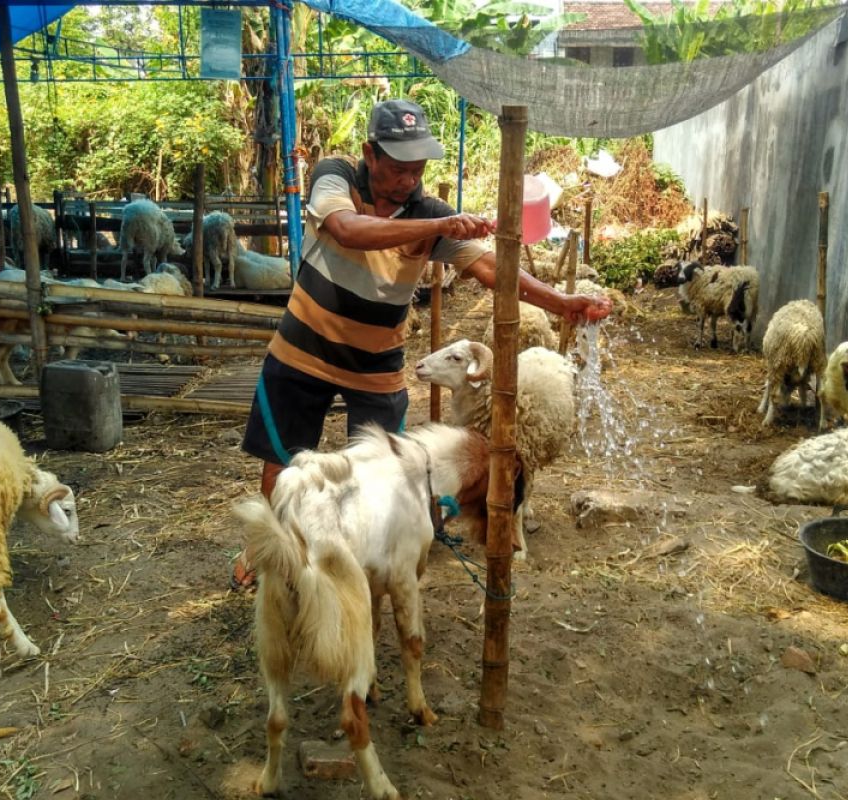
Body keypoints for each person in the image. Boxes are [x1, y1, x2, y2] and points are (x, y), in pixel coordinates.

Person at [231, 99, 611, 589]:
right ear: (370, 153)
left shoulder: (429, 213)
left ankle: (350, 567)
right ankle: (268, 555)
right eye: (398, 168)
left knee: (375, 474)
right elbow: (347, 229)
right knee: (281, 463)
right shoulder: (336, 177)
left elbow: (492, 268)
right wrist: (438, 227)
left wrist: (562, 303)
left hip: (376, 367)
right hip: (302, 354)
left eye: (417, 170)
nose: (409, 179)